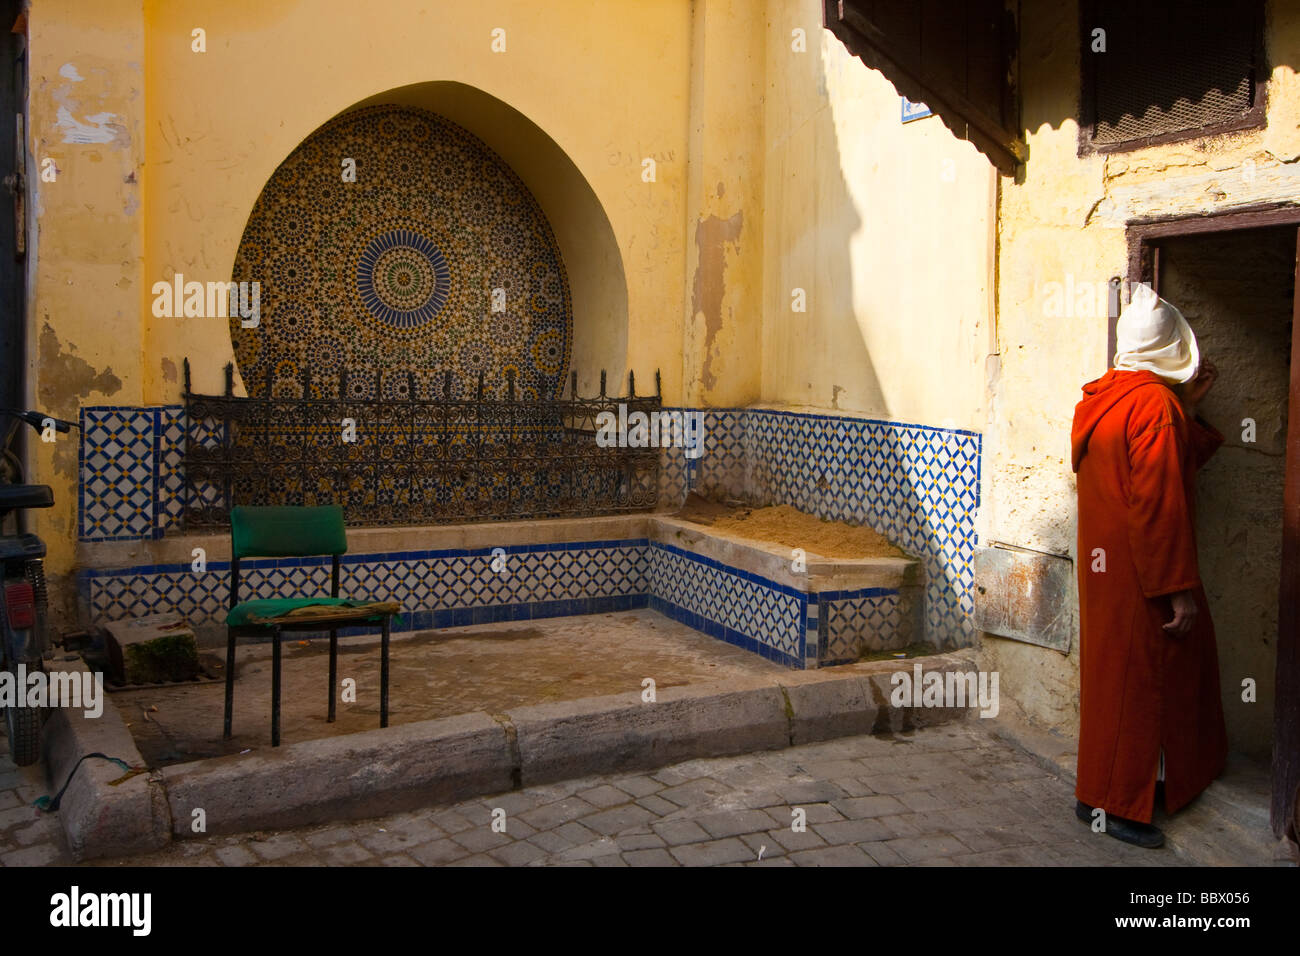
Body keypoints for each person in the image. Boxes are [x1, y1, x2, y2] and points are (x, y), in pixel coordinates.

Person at [1070, 282, 1227, 848]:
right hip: (1142, 569)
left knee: (1113, 679)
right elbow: (1159, 502)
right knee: (1145, 684)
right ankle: (1124, 808)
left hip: (1104, 567)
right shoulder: (1154, 406)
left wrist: (1186, 411)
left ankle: (1097, 793)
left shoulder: (1101, 396)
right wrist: (1177, 587)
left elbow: (1149, 466)